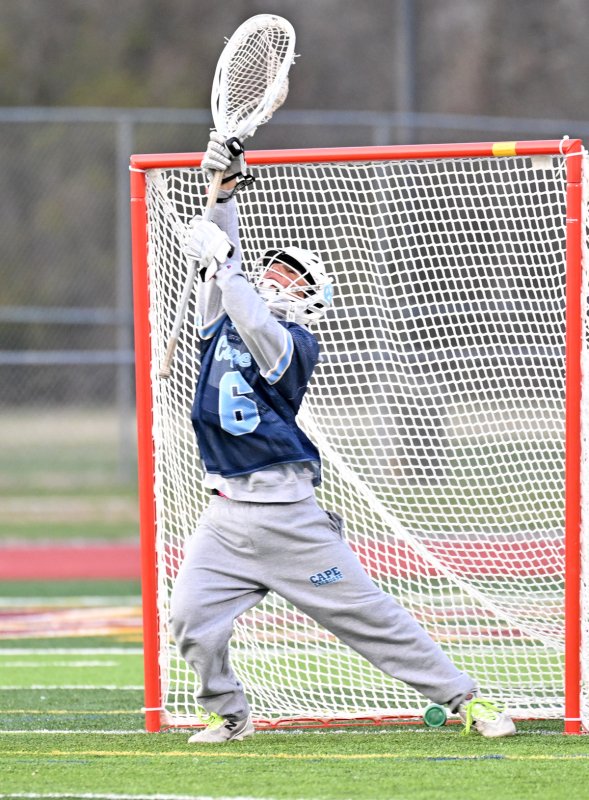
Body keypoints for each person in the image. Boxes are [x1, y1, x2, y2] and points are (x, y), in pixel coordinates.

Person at [170, 131, 516, 744]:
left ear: (311, 305)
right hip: (224, 516)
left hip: (290, 517)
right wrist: (224, 191)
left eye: (293, 282)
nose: (277, 282)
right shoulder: (219, 320)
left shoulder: (294, 346)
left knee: (371, 619)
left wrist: (225, 265)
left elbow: (247, 304)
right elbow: (233, 281)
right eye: (271, 272)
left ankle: (465, 700)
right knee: (192, 621)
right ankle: (228, 711)